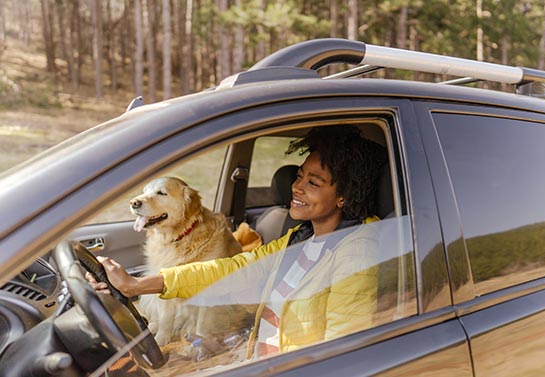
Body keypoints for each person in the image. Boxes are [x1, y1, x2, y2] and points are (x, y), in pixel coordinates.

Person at [89, 126, 388, 360]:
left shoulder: (357, 254)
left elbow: (343, 355)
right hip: (255, 354)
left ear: (344, 196)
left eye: (313, 182)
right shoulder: (301, 238)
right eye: (299, 176)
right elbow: (231, 269)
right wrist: (137, 285)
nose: (296, 186)